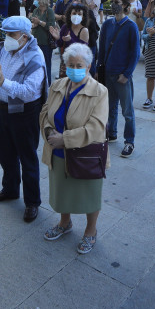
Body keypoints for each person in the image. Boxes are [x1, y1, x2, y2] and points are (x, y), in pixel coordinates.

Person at [0, 16, 47, 222]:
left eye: (11, 34)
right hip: (1, 110)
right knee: (5, 154)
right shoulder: (3, 49)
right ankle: (10, 189)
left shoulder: (35, 56)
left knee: (27, 157)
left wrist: (3, 82)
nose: (7, 38)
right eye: (5, 33)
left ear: (24, 36)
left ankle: (32, 202)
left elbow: (29, 92)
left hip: (25, 113)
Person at [40, 43, 108, 254]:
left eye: (79, 65)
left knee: (89, 195)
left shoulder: (99, 91)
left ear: (88, 67)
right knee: (62, 191)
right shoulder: (58, 85)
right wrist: (50, 131)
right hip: (57, 150)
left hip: (86, 153)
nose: (75, 68)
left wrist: (66, 139)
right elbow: (44, 111)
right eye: (71, 64)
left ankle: (90, 231)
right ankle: (64, 223)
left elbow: (96, 127)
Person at [99, 0, 140, 158]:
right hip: (108, 73)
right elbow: (102, 49)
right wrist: (98, 68)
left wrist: (127, 74)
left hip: (122, 75)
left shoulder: (131, 26)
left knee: (127, 111)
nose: (113, 4)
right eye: (113, 1)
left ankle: (129, 141)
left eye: (117, 1)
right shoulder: (107, 24)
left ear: (125, 5)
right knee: (110, 107)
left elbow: (135, 53)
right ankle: (112, 133)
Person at [51, 3, 90, 79]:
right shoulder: (65, 27)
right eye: (74, 13)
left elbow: (83, 51)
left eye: (79, 14)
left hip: (77, 64)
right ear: (70, 15)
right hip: (65, 62)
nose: (76, 16)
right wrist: (57, 38)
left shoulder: (84, 30)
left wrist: (70, 40)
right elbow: (60, 44)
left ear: (83, 17)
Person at [28, 0, 56, 86]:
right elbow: (32, 21)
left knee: (46, 63)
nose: (36, 1)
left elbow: (51, 26)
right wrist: (34, 24)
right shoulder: (36, 10)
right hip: (35, 41)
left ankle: (47, 84)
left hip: (46, 42)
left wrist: (39, 22)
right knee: (36, 63)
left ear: (42, 0)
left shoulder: (49, 11)